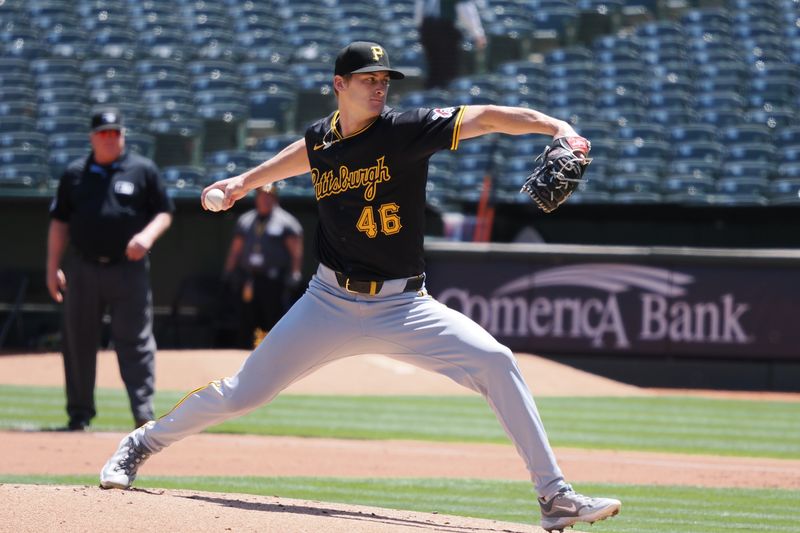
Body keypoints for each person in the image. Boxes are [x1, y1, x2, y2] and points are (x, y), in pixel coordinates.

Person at [100, 42, 620, 531]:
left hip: (405, 305)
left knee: (497, 361)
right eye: (368, 79)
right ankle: (141, 444)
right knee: (242, 393)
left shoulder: (405, 130)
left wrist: (557, 125)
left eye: (384, 79)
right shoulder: (324, 137)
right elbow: (301, 154)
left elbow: (485, 116)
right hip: (328, 302)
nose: (379, 87)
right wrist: (242, 183)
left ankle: (555, 497)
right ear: (338, 84)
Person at [47, 108, 174, 431]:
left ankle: (143, 414)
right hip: (83, 268)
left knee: (135, 340)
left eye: (115, 132)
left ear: (123, 136)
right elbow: (59, 222)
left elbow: (164, 212)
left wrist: (147, 236)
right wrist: (52, 267)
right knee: (78, 340)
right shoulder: (75, 174)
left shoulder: (142, 170)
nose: (110, 138)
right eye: (104, 133)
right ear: (92, 138)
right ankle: (79, 414)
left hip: (127, 270)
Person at [222, 183, 303, 348]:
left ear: (274, 198)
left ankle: (273, 354)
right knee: (247, 320)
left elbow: (296, 252)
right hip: (249, 279)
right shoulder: (246, 220)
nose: (264, 200)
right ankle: (245, 354)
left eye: (268, 196)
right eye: (261, 196)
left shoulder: (286, 222)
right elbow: (236, 250)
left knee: (273, 320)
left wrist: (295, 273)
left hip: (273, 281)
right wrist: (228, 271)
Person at [415, 0, 487, 89]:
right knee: (443, 70)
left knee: (437, 70)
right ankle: (439, 94)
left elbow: (419, 10)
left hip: (433, 28)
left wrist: (420, 27)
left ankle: (437, 93)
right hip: (440, 29)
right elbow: (464, 9)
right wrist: (477, 34)